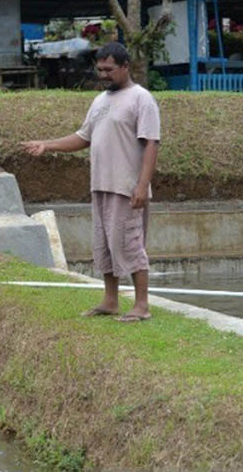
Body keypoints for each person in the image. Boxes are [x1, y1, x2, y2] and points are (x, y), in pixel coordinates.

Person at [20, 42, 160, 322]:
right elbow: (84, 137)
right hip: (101, 185)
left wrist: (142, 186)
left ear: (125, 67)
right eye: (100, 70)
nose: (104, 75)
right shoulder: (99, 102)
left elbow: (151, 144)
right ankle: (110, 301)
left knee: (130, 244)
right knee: (105, 244)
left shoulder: (141, 99)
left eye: (109, 69)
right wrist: (47, 145)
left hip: (127, 187)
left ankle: (142, 305)